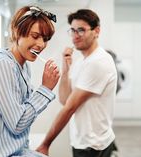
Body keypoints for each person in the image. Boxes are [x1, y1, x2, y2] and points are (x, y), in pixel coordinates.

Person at [0, 6, 60, 157]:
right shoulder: (2, 65)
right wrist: (45, 89)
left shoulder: (23, 66)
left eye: (45, 39)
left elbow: (21, 116)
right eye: (35, 36)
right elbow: (18, 124)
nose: (41, 44)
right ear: (17, 32)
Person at [36, 9, 117, 157]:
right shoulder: (81, 61)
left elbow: (69, 108)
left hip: (94, 146)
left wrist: (45, 144)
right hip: (83, 142)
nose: (75, 36)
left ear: (96, 31)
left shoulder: (98, 62)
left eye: (81, 30)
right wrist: (66, 68)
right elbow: (64, 99)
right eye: (72, 30)